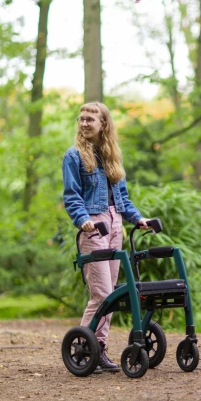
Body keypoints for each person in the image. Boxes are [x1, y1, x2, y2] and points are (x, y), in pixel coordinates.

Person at [62, 102, 150, 373]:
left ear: (104, 124)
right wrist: (83, 220)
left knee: (109, 294)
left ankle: (97, 348)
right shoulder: (73, 156)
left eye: (90, 119)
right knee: (101, 294)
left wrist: (138, 218)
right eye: (81, 119)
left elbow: (122, 198)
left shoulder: (111, 156)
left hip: (114, 225)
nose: (84, 123)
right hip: (94, 225)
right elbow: (71, 195)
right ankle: (88, 349)